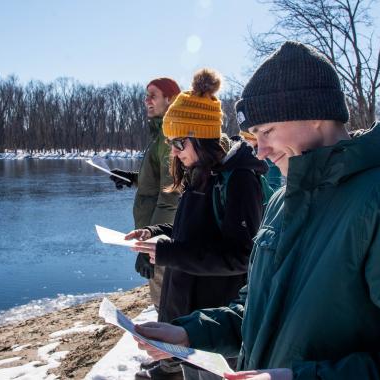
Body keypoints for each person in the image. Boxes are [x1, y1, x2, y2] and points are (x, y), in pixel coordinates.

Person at [133, 41, 380, 380]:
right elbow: (259, 309)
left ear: (315, 115)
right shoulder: (282, 201)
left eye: (267, 131)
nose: (261, 151)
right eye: (254, 136)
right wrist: (192, 334)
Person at [127, 69, 267, 380]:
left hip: (216, 321)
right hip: (188, 312)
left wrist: (169, 254)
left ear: (202, 137)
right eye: (170, 142)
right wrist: (156, 233)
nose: (174, 151)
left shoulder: (239, 179)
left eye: (179, 142)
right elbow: (190, 234)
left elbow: (241, 256)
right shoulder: (199, 172)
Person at [109, 77, 181, 312]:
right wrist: (132, 178)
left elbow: (170, 196)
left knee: (166, 308)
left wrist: (152, 244)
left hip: (162, 239)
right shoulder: (160, 134)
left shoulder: (169, 137)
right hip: (158, 236)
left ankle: (171, 348)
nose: (146, 100)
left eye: (153, 95)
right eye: (146, 95)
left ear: (170, 99)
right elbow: (159, 180)